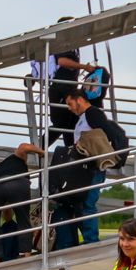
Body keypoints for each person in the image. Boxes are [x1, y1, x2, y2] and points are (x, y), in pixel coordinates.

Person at [47, 87, 121, 249]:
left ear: (79, 99)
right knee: (80, 204)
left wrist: (111, 155)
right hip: (84, 169)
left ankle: (91, 241)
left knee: (88, 204)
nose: (69, 107)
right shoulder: (84, 117)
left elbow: (109, 133)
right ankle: (87, 238)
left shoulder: (92, 113)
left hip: (92, 168)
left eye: (70, 103)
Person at [0, 143, 43, 263]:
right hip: (16, 184)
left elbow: (7, 212)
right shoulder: (18, 159)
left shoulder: (0, 168)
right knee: (23, 220)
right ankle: (26, 255)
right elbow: (24, 147)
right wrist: (42, 152)